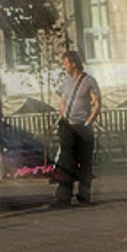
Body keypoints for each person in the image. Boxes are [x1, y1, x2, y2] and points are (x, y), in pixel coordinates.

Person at [55, 49, 101, 207]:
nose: (64, 66)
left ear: (74, 64)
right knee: (66, 161)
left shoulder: (89, 81)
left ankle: (84, 196)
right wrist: (63, 117)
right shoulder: (66, 81)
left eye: (65, 63)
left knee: (85, 161)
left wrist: (89, 121)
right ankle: (63, 196)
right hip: (68, 126)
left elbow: (97, 102)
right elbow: (63, 100)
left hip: (82, 126)